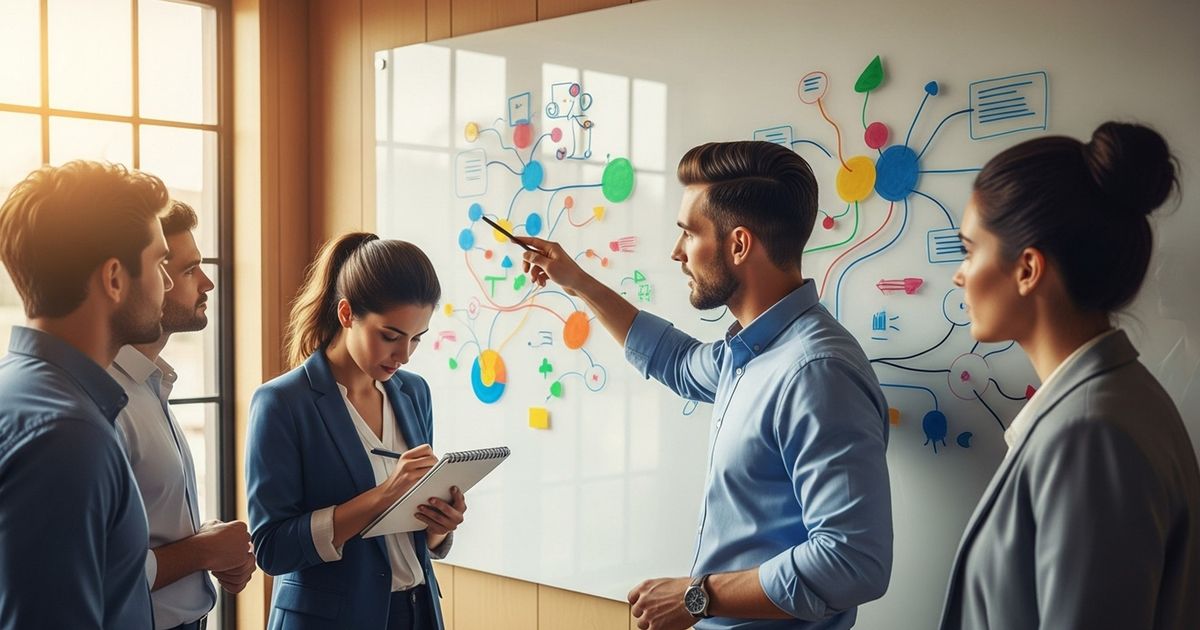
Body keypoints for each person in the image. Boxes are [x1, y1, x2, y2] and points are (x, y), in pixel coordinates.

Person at [522, 141, 893, 630]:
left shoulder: (815, 372)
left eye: (688, 233)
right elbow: (675, 360)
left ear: (738, 245)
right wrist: (577, 282)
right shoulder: (749, 355)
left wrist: (698, 597)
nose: (677, 252)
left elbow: (852, 562)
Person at [939, 122, 1200, 629]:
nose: (959, 273)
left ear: (1028, 269)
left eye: (970, 251)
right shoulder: (1114, 399)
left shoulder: (1090, 434)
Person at [246, 233, 466, 629]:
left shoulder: (414, 392)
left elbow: (410, 541)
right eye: (390, 336)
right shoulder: (282, 403)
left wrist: (437, 527)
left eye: (417, 339)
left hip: (418, 612)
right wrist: (383, 496)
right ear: (347, 314)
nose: (404, 355)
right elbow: (272, 548)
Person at [0, 161, 172, 629]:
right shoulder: (68, 437)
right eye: (159, 261)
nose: (169, 282)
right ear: (114, 277)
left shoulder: (16, 389)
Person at [108, 200, 256, 630]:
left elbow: (145, 523)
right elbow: (96, 571)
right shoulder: (106, 399)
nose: (207, 282)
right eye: (188, 270)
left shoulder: (152, 383)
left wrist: (208, 541)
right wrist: (203, 553)